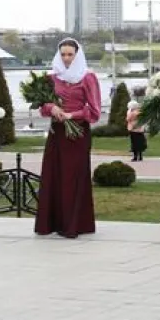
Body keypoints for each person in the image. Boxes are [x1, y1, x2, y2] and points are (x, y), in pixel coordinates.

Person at [35, 38, 101, 238]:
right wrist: (52, 108)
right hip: (57, 133)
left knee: (73, 177)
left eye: (70, 54)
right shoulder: (51, 78)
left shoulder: (88, 78)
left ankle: (74, 224)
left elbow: (95, 111)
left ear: (77, 54)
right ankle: (51, 223)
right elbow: (42, 107)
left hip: (78, 134)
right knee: (53, 175)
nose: (66, 58)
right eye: (63, 54)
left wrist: (72, 115)